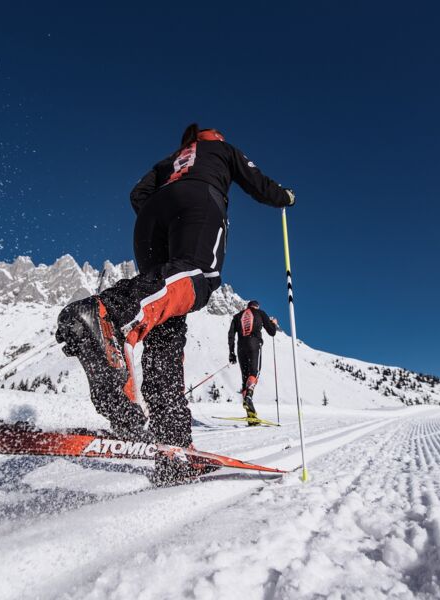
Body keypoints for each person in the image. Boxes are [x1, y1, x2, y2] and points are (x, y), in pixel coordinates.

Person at [56, 123, 294, 484]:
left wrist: (161, 215)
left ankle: (170, 445)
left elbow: (138, 194)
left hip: (150, 218)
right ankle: (107, 314)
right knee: (200, 275)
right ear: (216, 139)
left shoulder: (170, 160)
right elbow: (257, 182)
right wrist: (285, 197)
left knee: (166, 317)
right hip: (199, 202)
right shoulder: (223, 151)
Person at [228, 300, 278, 422]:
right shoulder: (261, 313)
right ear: (257, 306)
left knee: (245, 378)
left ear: (247, 306)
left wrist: (231, 353)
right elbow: (272, 332)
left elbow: (230, 334)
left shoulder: (237, 316)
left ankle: (250, 415)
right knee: (254, 373)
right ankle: (249, 396)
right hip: (254, 344)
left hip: (240, 347)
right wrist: (274, 323)